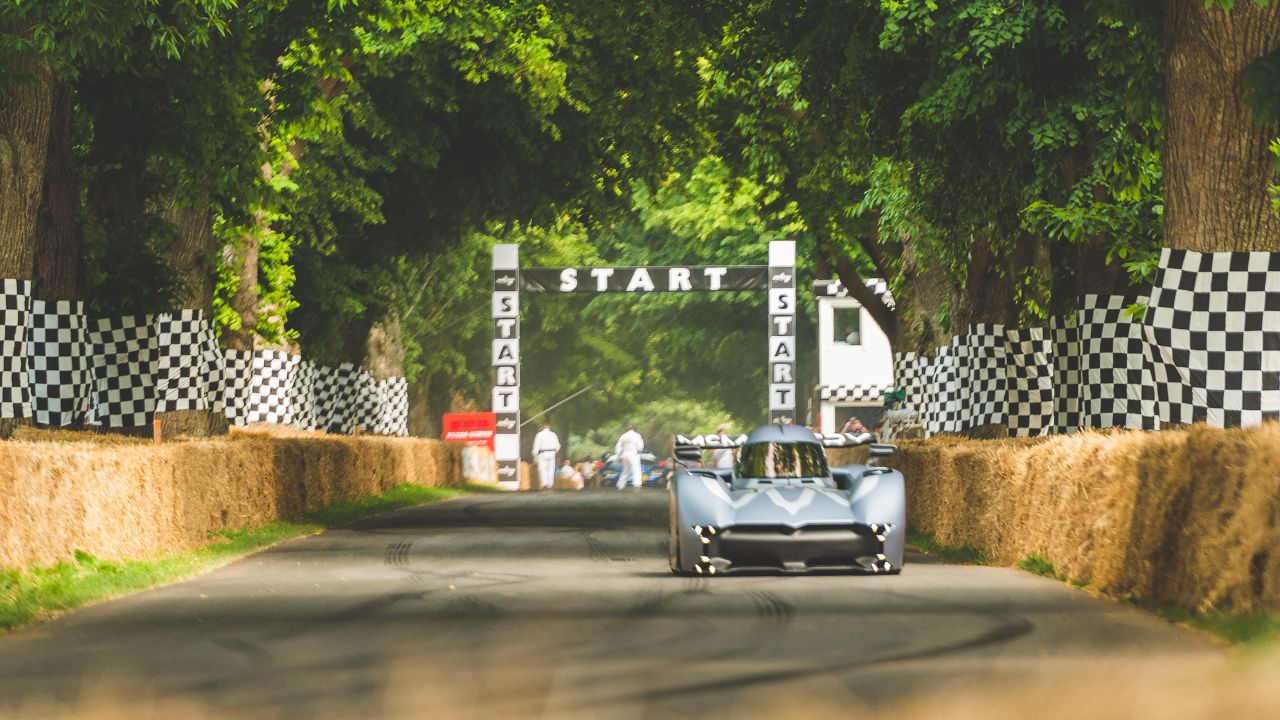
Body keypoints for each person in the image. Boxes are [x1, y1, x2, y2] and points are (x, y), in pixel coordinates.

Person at [531, 422, 561, 490]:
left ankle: (544, 483)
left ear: (542, 427)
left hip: (542, 453)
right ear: (549, 427)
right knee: (551, 469)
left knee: (542, 468)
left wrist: (534, 455)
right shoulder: (553, 435)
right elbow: (558, 446)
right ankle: (550, 484)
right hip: (552, 453)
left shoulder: (539, 435)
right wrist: (555, 452)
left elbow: (536, 446)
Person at [614, 425, 645, 489]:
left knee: (625, 470)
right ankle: (637, 484)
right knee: (636, 469)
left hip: (624, 454)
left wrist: (619, 455)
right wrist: (639, 450)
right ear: (634, 429)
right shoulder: (637, 435)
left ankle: (620, 485)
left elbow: (618, 446)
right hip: (633, 453)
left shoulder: (623, 436)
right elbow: (640, 446)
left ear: (627, 429)